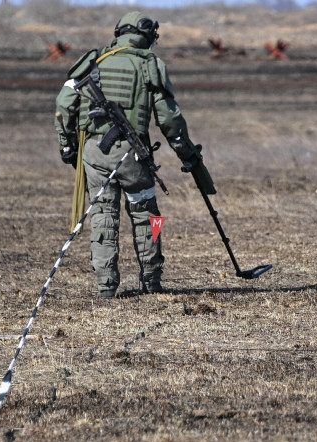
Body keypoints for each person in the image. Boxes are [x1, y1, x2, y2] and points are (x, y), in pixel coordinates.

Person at [54, 11, 204, 299]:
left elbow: (63, 106)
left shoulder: (92, 61)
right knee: (149, 216)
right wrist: (186, 154)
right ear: (147, 35)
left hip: (95, 154)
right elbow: (170, 120)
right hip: (133, 156)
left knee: (102, 215)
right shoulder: (150, 65)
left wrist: (68, 146)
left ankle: (106, 286)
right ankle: (152, 280)